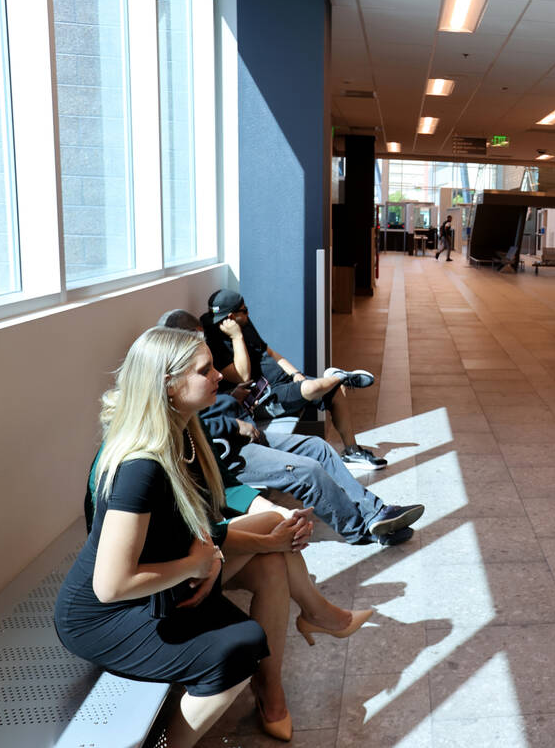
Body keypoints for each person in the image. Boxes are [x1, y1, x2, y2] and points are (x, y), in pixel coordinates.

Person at [69, 328, 374, 744]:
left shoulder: (186, 432)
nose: (219, 376)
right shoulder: (139, 465)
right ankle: (175, 739)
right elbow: (110, 585)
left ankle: (275, 686)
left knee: (271, 557)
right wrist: (200, 562)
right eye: (205, 370)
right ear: (168, 384)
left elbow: (190, 528)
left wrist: (246, 542)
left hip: (165, 578)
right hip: (114, 613)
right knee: (245, 642)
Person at [155, 311, 425, 546]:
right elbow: (199, 430)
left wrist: (232, 397)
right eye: (206, 371)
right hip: (231, 449)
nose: (217, 374)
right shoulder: (166, 394)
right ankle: (360, 529)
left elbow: (206, 413)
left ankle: (375, 511)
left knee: (317, 447)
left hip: (245, 432)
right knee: (307, 471)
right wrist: (232, 424)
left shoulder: (191, 381)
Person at [200, 288, 386, 467]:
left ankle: (352, 451)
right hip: (265, 395)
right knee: (314, 388)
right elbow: (243, 375)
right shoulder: (216, 342)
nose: (248, 314)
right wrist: (236, 337)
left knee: (335, 390)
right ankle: (338, 376)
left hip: (284, 382)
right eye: (244, 311)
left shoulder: (245, 323)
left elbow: (270, 352)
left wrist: (296, 374)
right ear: (231, 317)